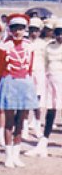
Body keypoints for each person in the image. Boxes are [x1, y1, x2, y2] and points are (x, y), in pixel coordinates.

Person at [0, 13, 38, 168]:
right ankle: (7, 155)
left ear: (25, 29)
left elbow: (30, 66)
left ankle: (16, 154)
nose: (18, 32)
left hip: (25, 83)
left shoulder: (29, 46)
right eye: (15, 28)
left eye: (21, 29)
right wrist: (7, 81)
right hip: (9, 82)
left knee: (21, 120)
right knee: (9, 121)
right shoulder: (3, 46)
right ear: (10, 29)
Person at [26, 20, 62, 157]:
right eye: (58, 33)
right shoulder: (48, 47)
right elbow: (46, 65)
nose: (60, 36)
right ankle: (43, 144)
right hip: (52, 83)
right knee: (50, 113)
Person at [22, 17, 47, 139]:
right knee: (26, 102)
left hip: (39, 74)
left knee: (37, 103)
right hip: (27, 74)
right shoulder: (24, 43)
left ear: (40, 31)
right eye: (31, 30)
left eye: (36, 30)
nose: (33, 32)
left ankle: (37, 127)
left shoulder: (44, 44)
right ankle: (24, 128)